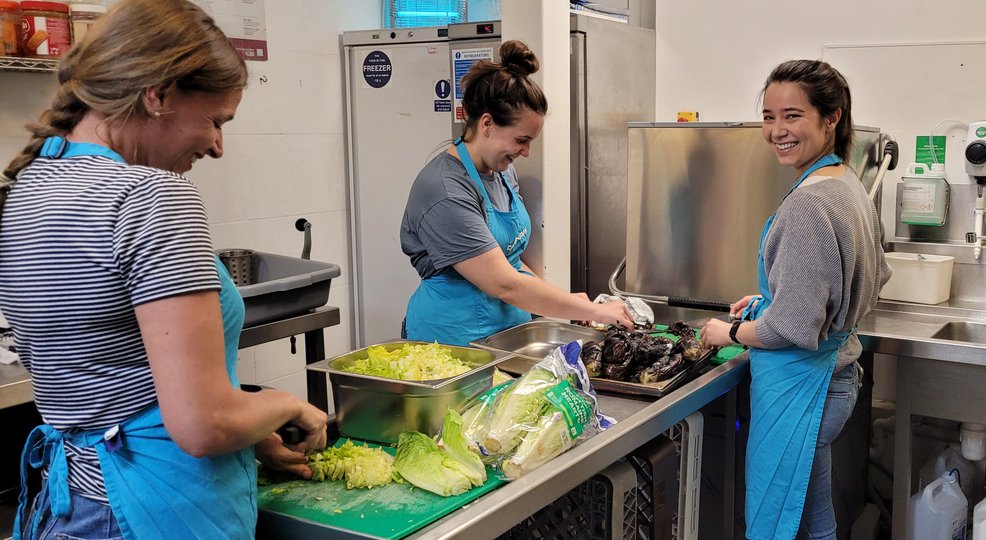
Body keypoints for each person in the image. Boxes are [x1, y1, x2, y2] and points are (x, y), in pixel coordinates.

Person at [0, 1, 329, 538]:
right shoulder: (153, 196)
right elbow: (204, 425)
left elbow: (118, 383)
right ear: (157, 95)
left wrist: (250, 432)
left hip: (73, 508)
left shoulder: (31, 185)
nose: (218, 146)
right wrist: (285, 403)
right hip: (157, 506)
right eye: (215, 120)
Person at [699, 60, 890, 540]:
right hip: (837, 376)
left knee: (788, 522)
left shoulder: (809, 202)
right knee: (811, 515)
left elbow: (794, 329)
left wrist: (731, 332)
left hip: (802, 389)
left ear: (832, 118)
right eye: (768, 117)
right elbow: (874, 274)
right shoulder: (847, 183)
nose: (777, 131)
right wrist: (778, 296)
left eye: (792, 116)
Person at [400, 40, 633, 346]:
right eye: (521, 140)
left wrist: (566, 301)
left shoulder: (502, 173)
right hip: (453, 343)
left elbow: (511, 260)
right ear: (487, 124)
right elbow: (503, 282)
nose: (526, 152)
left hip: (507, 332)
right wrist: (590, 309)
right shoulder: (445, 189)